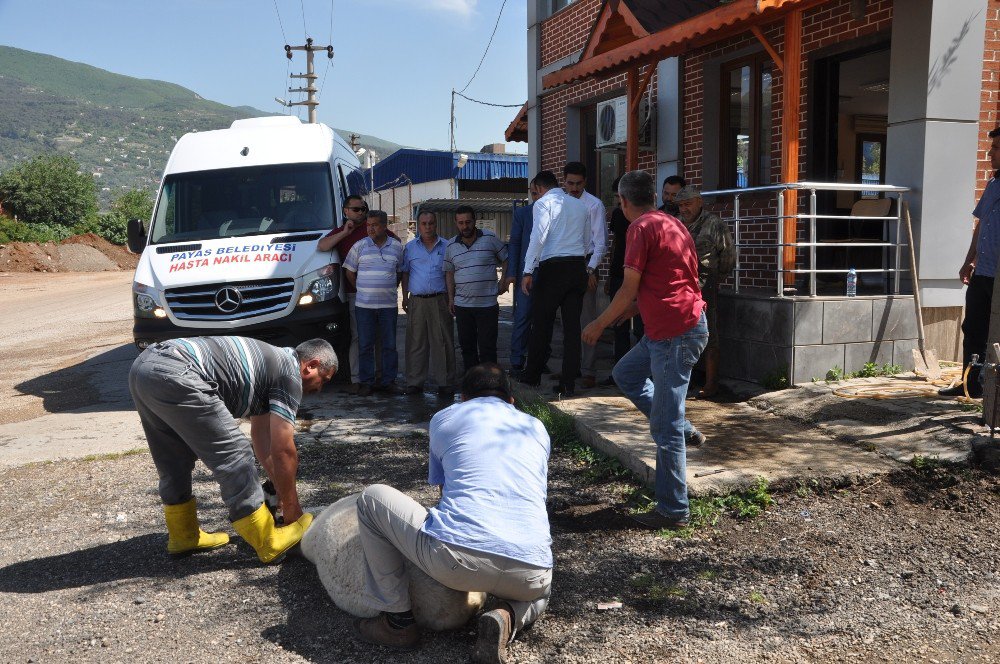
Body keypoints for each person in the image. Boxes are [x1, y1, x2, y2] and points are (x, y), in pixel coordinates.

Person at [352, 364, 552, 663]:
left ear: (462, 397)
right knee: (540, 594)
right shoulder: (536, 427)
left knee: (371, 499)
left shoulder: (445, 417)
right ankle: (507, 615)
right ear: (511, 401)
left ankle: (397, 623)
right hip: (531, 571)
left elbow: (444, 491)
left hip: (457, 561)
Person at [128, 336, 337, 563]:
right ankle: (268, 540)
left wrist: (280, 488)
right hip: (178, 371)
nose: (320, 388)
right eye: (323, 380)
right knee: (237, 455)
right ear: (311, 366)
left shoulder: (270, 366)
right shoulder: (289, 373)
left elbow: (263, 438)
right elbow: (283, 450)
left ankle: (183, 535)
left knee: (173, 456)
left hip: (144, 368)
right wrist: (293, 512)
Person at [582, 170, 707, 529]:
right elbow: (676, 278)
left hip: (675, 333)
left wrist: (600, 322)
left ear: (622, 201)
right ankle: (684, 427)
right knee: (627, 373)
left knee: (663, 428)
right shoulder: (673, 223)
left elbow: (627, 287)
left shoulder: (638, 229)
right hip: (672, 326)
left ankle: (673, 510)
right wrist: (636, 310)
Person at [941, 126, 1000, 398]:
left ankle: (994, 394)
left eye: (997, 149)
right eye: (991, 149)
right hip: (983, 272)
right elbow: (981, 225)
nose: (991, 154)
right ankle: (971, 385)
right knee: (973, 328)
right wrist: (969, 260)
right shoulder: (993, 183)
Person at [318, 195, 398, 393]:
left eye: (363, 209)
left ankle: (383, 379)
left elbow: (396, 251)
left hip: (384, 298)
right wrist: (345, 232)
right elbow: (322, 246)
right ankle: (360, 379)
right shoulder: (347, 233)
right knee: (360, 339)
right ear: (346, 211)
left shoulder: (375, 229)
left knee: (384, 340)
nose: (361, 213)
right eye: (356, 210)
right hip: (358, 296)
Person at [520, 170, 590, 396]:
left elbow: (537, 237)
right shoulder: (580, 205)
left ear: (540, 189)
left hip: (553, 267)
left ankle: (532, 377)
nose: (534, 196)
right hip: (578, 266)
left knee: (541, 324)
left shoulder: (543, 204)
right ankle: (568, 381)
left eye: (534, 192)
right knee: (572, 328)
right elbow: (587, 241)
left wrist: (528, 269)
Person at [674, 186, 736, 399]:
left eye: (688, 204)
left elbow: (728, 254)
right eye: (681, 205)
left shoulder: (714, 224)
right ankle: (683, 380)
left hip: (705, 282)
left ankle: (711, 384)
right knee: (680, 332)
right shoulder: (676, 223)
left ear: (699, 202)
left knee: (709, 332)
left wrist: (718, 278)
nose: (684, 209)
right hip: (680, 283)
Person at [343, 210, 405, 396]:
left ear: (385, 226)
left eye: (375, 225)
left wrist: (388, 287)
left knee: (389, 345)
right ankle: (367, 382)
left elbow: (400, 272)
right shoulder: (359, 246)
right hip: (364, 306)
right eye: (368, 225)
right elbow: (349, 272)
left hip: (388, 306)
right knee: (365, 345)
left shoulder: (396, 247)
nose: (370, 228)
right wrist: (363, 289)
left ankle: (388, 382)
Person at [444, 206, 509, 372]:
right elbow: (449, 273)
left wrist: (504, 282)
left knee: (488, 348)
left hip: (487, 305)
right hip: (463, 306)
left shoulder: (490, 238)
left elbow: (506, 259)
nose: (464, 226)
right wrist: (451, 299)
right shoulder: (451, 245)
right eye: (461, 223)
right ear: (456, 223)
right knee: (468, 348)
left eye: (467, 222)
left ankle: (491, 384)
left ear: (474, 221)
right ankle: (472, 384)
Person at [401, 210, 456, 397]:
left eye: (431, 223)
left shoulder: (447, 246)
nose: (427, 227)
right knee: (416, 342)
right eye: (423, 223)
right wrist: (405, 297)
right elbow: (406, 273)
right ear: (418, 225)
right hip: (417, 300)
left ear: (436, 224)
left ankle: (445, 382)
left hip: (440, 300)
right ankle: (414, 382)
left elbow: (450, 273)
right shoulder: (410, 248)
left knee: (443, 342)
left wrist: (451, 298)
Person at [562, 162, 607, 389]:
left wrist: (589, 269)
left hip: (585, 263)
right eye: (570, 183)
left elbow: (600, 243)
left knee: (587, 318)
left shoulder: (594, 205)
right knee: (566, 319)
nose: (574, 187)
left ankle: (588, 370)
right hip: (562, 262)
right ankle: (569, 368)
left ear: (585, 182)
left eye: (579, 183)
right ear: (564, 181)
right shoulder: (559, 204)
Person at [601, 175, 642, 384]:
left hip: (641, 277)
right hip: (619, 272)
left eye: (620, 196)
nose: (619, 200)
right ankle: (619, 371)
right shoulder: (618, 214)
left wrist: (598, 325)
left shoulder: (648, 219)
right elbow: (616, 243)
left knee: (644, 327)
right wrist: (609, 274)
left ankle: (644, 372)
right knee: (620, 325)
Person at [501, 180, 541, 375]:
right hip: (526, 275)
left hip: (550, 274)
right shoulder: (523, 214)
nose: (535, 197)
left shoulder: (558, 213)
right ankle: (517, 359)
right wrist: (511, 274)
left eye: (538, 193)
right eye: (532, 193)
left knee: (544, 319)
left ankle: (541, 357)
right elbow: (514, 244)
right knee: (522, 316)